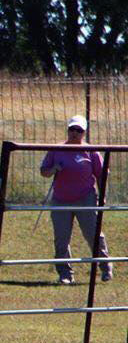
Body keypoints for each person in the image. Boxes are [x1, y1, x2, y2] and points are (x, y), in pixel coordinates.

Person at [40, 115, 112, 284]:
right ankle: (65, 273)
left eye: (78, 130)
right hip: (60, 199)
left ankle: (105, 267)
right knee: (61, 237)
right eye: (71, 129)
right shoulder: (56, 149)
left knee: (92, 234)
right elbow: (44, 171)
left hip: (85, 198)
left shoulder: (91, 151)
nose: (74, 133)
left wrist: (102, 196)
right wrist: (53, 169)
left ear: (84, 133)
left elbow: (102, 174)